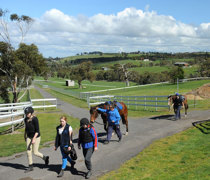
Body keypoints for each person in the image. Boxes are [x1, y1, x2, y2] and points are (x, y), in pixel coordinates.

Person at [24, 106, 49, 173]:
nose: (27, 115)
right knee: (28, 152)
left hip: (36, 137)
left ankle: (45, 158)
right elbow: (26, 128)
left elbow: (37, 131)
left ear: (31, 113)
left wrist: (34, 139)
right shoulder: (25, 119)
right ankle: (30, 166)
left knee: (35, 152)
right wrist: (25, 135)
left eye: (28, 113)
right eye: (26, 113)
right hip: (29, 137)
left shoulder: (35, 119)